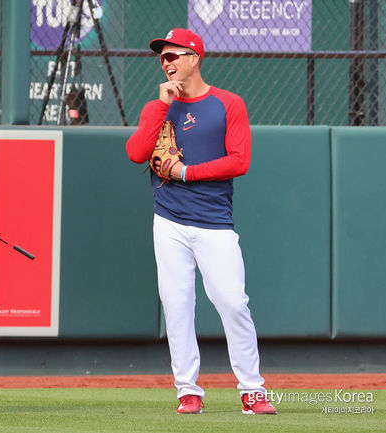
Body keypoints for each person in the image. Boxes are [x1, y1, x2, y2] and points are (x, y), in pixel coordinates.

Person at [125, 28, 277, 415]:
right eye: (162, 57)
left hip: (213, 221)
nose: (167, 62)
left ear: (195, 58)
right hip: (169, 221)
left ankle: (252, 389)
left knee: (232, 301)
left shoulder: (228, 103)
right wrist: (161, 107)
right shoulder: (156, 107)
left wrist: (186, 172)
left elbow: (238, 160)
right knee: (176, 305)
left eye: (174, 55)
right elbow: (135, 152)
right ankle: (187, 390)